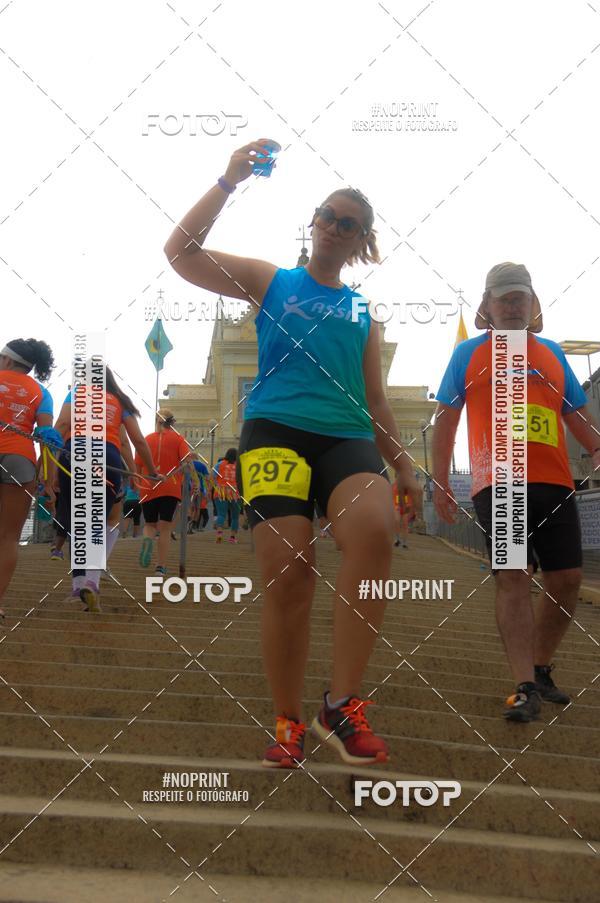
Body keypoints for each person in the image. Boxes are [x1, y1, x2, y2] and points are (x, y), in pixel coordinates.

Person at [164, 140, 421, 768]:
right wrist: (229, 179)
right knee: (289, 573)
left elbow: (378, 401)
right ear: (313, 223)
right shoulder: (271, 281)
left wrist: (407, 468)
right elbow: (181, 254)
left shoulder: (362, 311)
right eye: (327, 216)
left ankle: (342, 703)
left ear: (363, 242)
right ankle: (288, 717)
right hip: (274, 431)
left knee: (374, 532)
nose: (335, 227)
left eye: (349, 224)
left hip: (346, 435)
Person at [432, 262, 600, 722]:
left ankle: (541, 668)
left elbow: (576, 416)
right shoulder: (468, 354)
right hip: (499, 481)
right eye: (502, 297)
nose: (511, 304)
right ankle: (524, 684)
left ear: (532, 303)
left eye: (519, 297)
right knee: (514, 575)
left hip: (556, 481)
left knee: (565, 581)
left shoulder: (551, 354)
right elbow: (445, 419)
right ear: (486, 306)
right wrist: (441, 481)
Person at [52, 366, 157, 612]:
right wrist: (150, 471)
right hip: (106, 458)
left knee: (79, 521)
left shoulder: (76, 394)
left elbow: (62, 425)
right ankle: (92, 580)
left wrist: (52, 468)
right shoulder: (120, 401)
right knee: (100, 521)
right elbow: (135, 440)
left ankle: (78, 586)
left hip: (73, 454)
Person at [0, 338, 58, 623]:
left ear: (8, 360)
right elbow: (47, 437)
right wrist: (47, 479)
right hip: (19, 460)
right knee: (9, 538)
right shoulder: (41, 391)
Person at [136, 410, 193, 576]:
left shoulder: (147, 439)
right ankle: (160, 567)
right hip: (170, 486)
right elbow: (187, 462)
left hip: (148, 485)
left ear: (156, 421)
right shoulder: (179, 439)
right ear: (172, 423)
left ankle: (147, 539)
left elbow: (138, 466)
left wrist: (138, 484)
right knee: (165, 527)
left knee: (149, 524)